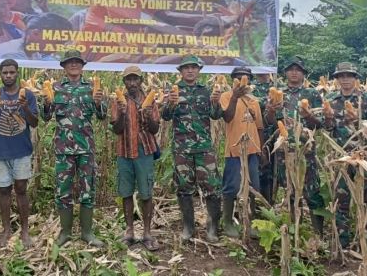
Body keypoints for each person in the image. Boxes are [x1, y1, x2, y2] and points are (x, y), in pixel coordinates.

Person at [40, 49, 107, 246]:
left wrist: (98, 103)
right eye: (70, 62)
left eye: (77, 62)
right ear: (64, 66)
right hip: (63, 148)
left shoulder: (92, 88)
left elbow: (102, 116)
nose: (74, 65)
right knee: (63, 190)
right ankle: (65, 233)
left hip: (86, 147)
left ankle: (87, 233)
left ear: (82, 65)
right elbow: (45, 117)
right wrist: (46, 104)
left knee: (88, 189)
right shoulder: (56, 87)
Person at [161, 55, 223, 243]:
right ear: (180, 71)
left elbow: (215, 115)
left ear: (199, 70)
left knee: (212, 188)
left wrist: (215, 102)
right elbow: (164, 116)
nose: (190, 70)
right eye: (186, 67)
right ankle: (188, 228)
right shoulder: (172, 91)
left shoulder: (207, 91)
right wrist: (170, 104)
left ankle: (212, 229)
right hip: (182, 149)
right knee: (184, 189)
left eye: (194, 67)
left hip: (204, 148)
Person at [264, 56, 325, 234]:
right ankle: (294, 231)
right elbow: (270, 123)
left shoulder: (312, 94)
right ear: (285, 73)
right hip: (284, 152)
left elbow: (319, 125)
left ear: (304, 74)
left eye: (298, 70)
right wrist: (271, 111)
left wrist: (308, 116)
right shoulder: (277, 94)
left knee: (312, 192)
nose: (294, 72)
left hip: (306, 151)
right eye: (291, 69)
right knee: (289, 191)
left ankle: (318, 233)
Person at [323, 62, 367, 248]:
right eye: (341, 76)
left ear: (356, 78)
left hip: (364, 156)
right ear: (337, 79)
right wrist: (329, 119)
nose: (345, 79)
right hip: (342, 155)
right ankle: (342, 242)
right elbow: (329, 129)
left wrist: (357, 123)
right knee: (341, 199)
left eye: (349, 76)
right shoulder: (330, 100)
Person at [0, 59, 38, 248]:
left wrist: (24, 108)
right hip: (0, 151)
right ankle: (6, 230)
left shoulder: (28, 95)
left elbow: (34, 122)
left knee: (21, 190)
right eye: (5, 73)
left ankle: (24, 231)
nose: (8, 75)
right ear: (0, 74)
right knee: (4, 190)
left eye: (12, 72)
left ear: (17, 73)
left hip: (21, 150)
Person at [111, 66, 161, 251]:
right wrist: (122, 114)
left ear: (140, 81)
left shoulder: (150, 101)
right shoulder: (119, 101)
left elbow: (155, 129)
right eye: (128, 80)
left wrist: (149, 117)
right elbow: (116, 130)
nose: (132, 83)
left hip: (144, 151)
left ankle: (147, 233)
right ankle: (130, 232)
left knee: (146, 192)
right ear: (124, 82)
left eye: (135, 79)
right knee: (126, 192)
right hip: (124, 151)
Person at [220, 67, 264, 238]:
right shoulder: (226, 96)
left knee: (253, 187)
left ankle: (251, 221)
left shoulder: (254, 101)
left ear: (250, 80)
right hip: (234, 150)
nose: (241, 80)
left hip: (252, 151)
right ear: (233, 80)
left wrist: (260, 149)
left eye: (245, 78)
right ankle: (228, 221)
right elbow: (227, 117)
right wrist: (235, 97)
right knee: (231, 187)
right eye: (238, 78)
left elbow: (259, 127)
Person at [0, 13, 73, 61]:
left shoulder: (33, 52)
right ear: (35, 33)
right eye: (57, 43)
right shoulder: (12, 54)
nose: (60, 47)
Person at [252, 73, 277, 205]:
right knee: (262, 169)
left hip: (279, 137)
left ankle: (271, 204)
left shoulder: (279, 87)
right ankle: (261, 205)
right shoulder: (252, 88)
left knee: (276, 170)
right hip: (262, 134)